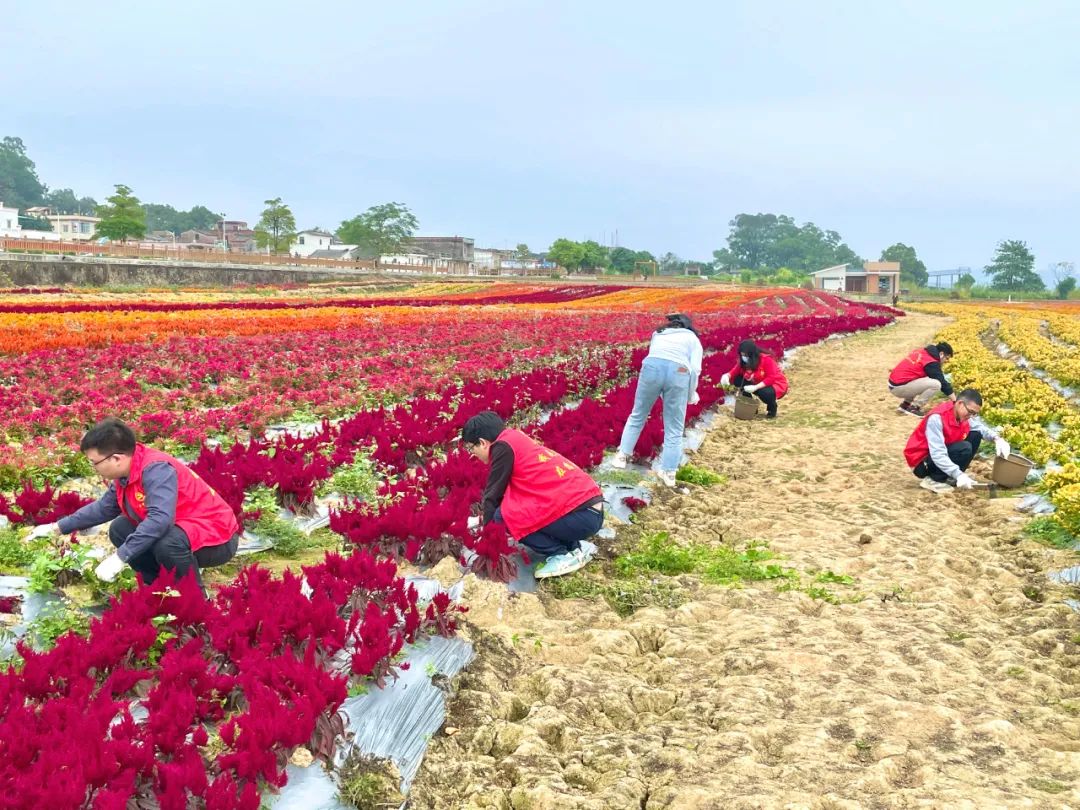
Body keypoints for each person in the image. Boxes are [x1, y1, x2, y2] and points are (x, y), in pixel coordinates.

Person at [31, 418, 240, 589]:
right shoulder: (127, 471)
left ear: (116, 459)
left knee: (167, 543)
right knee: (120, 529)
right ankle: (156, 588)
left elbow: (160, 521)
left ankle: (194, 603)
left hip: (217, 539)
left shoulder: (156, 469)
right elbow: (104, 508)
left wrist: (121, 557)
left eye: (94, 462)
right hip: (184, 530)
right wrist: (56, 528)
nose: (93, 468)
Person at [462, 411, 603, 578]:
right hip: (589, 511)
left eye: (472, 447)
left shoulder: (501, 448)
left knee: (505, 517)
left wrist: (488, 536)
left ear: (483, 442)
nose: (472, 453)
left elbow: (492, 495)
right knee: (510, 510)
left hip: (582, 516)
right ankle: (572, 547)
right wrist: (481, 520)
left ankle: (561, 554)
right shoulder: (514, 438)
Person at [611, 313, 704, 487]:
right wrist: (692, 393)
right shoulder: (692, 339)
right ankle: (669, 472)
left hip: (652, 368)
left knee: (638, 414)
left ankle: (622, 456)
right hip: (680, 372)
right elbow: (695, 370)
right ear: (687, 326)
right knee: (674, 426)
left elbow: (656, 356)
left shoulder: (659, 333)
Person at [904, 388, 1011, 494]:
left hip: (937, 455)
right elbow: (937, 454)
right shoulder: (937, 418)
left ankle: (950, 477)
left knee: (975, 435)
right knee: (964, 447)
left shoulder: (962, 415)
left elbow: (979, 428)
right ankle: (933, 480)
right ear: (960, 403)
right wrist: (958, 474)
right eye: (970, 412)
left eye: (974, 414)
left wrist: (997, 439)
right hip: (922, 462)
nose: (971, 416)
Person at [720, 339, 788, 419]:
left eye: (745, 355)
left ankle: (772, 408)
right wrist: (726, 376)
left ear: (752, 354)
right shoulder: (744, 361)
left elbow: (771, 378)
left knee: (765, 393)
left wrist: (755, 387)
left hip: (775, 385)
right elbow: (734, 371)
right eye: (742, 355)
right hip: (758, 383)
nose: (743, 357)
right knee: (738, 379)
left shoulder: (766, 360)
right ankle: (750, 405)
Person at [889, 342, 954, 416]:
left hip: (894, 383)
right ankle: (914, 408)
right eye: (947, 358)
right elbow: (943, 383)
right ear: (941, 354)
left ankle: (905, 406)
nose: (946, 361)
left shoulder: (924, 352)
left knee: (924, 379)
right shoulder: (931, 361)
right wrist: (955, 400)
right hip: (898, 387)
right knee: (936, 384)